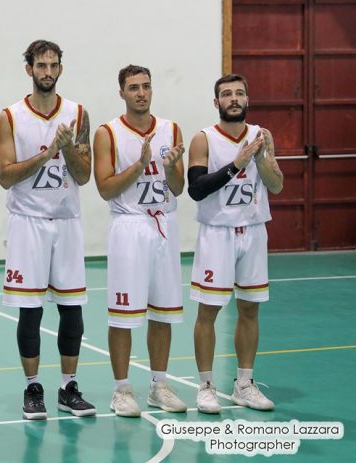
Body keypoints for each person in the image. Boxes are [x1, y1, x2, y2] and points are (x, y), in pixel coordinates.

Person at [0, 40, 95, 420]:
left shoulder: (78, 113)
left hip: (67, 222)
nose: (48, 71)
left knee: (72, 311)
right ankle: (32, 388)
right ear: (29, 69)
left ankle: (69, 386)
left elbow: (84, 176)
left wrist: (68, 149)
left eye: (54, 65)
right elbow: (5, 177)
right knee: (30, 312)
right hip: (28, 223)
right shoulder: (10, 116)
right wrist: (46, 152)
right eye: (41, 65)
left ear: (60, 69)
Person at [93, 65, 188, 417]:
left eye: (146, 86)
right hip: (129, 226)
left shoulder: (171, 129)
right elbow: (104, 188)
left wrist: (170, 168)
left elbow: (179, 188)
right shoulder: (108, 133)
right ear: (122, 92)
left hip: (164, 224)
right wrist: (140, 164)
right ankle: (121, 390)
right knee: (123, 315)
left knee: (162, 313)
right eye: (134, 87)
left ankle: (158, 385)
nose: (141, 93)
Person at [187, 73, 283, 414]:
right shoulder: (204, 139)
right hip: (217, 233)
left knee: (250, 308)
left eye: (239, 93)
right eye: (226, 94)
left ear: (247, 99)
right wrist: (238, 163)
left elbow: (276, 185)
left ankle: (244, 383)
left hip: (254, 230)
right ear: (217, 103)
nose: (233, 98)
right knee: (208, 311)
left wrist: (260, 160)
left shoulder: (262, 136)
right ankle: (206, 385)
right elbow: (196, 189)